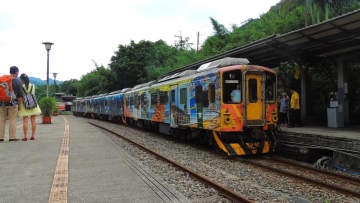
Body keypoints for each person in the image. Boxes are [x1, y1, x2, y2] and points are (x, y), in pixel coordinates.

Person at [0, 66, 23, 142]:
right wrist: (20, 105)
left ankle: (1, 137)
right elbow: (20, 95)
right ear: (16, 72)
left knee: (1, 120)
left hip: (1, 103)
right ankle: (12, 137)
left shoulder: (3, 79)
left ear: (10, 72)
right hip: (13, 103)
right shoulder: (17, 80)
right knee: (12, 120)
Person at [18, 74, 42, 141]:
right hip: (32, 104)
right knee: (33, 120)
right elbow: (33, 94)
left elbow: (21, 96)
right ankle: (32, 136)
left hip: (24, 104)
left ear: (22, 79)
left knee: (25, 121)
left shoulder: (21, 86)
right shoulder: (33, 85)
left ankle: (25, 137)